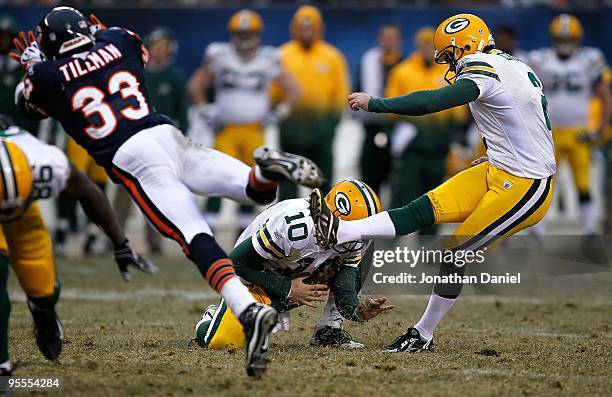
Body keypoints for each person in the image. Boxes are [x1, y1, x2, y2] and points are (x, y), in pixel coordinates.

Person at [11, 7, 323, 376]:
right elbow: (126, 47)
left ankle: (249, 311)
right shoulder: (120, 41)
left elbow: (26, 104)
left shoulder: (46, 75)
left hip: (132, 154)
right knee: (254, 190)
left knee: (193, 235)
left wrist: (34, 65)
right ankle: (265, 170)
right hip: (166, 136)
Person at [311, 13, 556, 353]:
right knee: (419, 210)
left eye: (450, 54)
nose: (449, 62)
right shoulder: (509, 64)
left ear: (466, 45)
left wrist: (376, 104)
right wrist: (496, 150)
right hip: (498, 168)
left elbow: (431, 102)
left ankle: (422, 334)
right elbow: (522, 116)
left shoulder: (483, 70)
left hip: (526, 184)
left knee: (454, 253)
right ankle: (341, 233)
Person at [0, 117, 154, 374]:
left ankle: (42, 308)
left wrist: (120, 244)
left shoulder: (48, 165)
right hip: (19, 202)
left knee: (43, 288)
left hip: (24, 213)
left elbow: (88, 191)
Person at [192, 180, 393, 350]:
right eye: (349, 229)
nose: (353, 238)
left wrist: (357, 311)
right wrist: (287, 289)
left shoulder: (352, 239)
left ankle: (329, 330)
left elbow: (345, 284)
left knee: (357, 258)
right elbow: (235, 263)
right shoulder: (294, 227)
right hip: (256, 276)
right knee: (220, 342)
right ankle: (216, 314)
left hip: (299, 273)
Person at [187, 9, 300, 230]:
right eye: (241, 33)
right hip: (226, 131)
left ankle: (244, 232)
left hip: (254, 131)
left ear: (258, 35)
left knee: (253, 181)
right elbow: (195, 86)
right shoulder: (219, 55)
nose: (245, 38)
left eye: (249, 33)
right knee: (217, 178)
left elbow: (294, 89)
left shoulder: (269, 58)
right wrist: (203, 110)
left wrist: (281, 112)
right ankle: (208, 231)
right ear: (232, 34)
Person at [529, 14, 610, 236]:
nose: (564, 43)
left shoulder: (590, 59)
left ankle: (590, 230)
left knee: (583, 182)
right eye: (560, 38)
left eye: (569, 38)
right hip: (549, 132)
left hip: (578, 131)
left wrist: (602, 126)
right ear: (552, 38)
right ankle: (538, 231)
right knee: (543, 183)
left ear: (578, 39)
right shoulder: (540, 59)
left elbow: (604, 95)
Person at [384, 27, 468, 235]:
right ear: (417, 46)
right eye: (424, 45)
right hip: (411, 149)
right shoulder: (403, 71)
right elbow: (392, 108)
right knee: (402, 193)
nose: (427, 50)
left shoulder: (448, 73)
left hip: (439, 148)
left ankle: (427, 244)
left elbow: (458, 114)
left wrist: (455, 138)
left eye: (431, 46)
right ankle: (389, 241)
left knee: (436, 199)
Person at [113, 26, 188, 254]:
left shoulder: (174, 77)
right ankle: (115, 237)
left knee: (155, 192)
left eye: (162, 47)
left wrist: (180, 141)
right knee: (124, 190)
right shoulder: (135, 74)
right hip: (132, 141)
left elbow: (182, 113)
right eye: (155, 47)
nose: (158, 52)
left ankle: (154, 239)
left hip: (160, 144)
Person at [278, 5, 350, 198]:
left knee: (322, 188)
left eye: (310, 27)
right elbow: (273, 93)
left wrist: (330, 125)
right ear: (294, 28)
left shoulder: (333, 57)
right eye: (301, 27)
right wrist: (280, 119)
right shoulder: (282, 55)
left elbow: (340, 94)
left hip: (321, 134)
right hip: (290, 134)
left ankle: (321, 227)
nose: (306, 32)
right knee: (287, 189)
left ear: (319, 28)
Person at [355, 24, 404, 195]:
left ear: (400, 41)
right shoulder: (369, 62)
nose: (388, 42)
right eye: (385, 38)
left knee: (398, 179)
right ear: (379, 40)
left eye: (392, 38)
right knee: (369, 178)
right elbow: (358, 89)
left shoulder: (407, 65)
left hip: (398, 130)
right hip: (372, 127)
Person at [0, 14, 39, 133]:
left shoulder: (26, 64)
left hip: (22, 129)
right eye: (1, 36)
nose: (3, 40)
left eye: (6, 36)